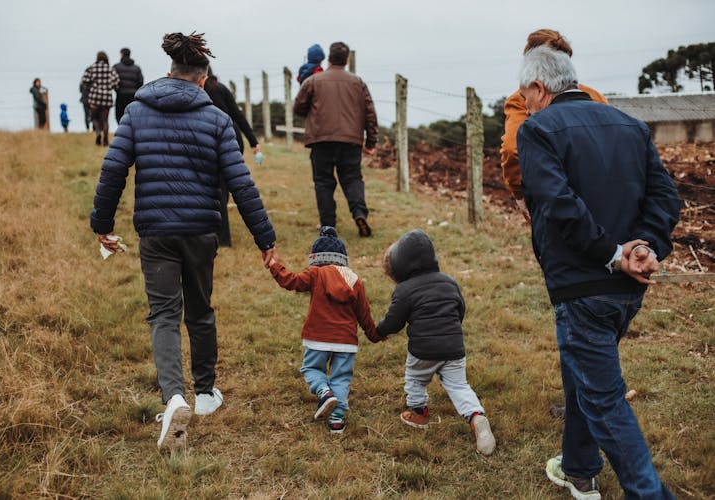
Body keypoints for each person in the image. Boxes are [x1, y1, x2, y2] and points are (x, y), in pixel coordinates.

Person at [90, 32, 277, 450]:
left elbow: (113, 170)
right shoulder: (216, 119)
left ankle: (173, 396)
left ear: (169, 71)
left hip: (155, 231)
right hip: (200, 231)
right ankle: (206, 394)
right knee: (200, 309)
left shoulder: (137, 112)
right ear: (202, 78)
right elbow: (241, 183)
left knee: (162, 314)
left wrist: (101, 223)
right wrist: (265, 238)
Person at [516, 46, 679, 498]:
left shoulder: (537, 130)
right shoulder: (630, 125)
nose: (524, 101)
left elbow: (558, 204)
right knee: (584, 374)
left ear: (539, 87)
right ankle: (580, 467)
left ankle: (649, 493)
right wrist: (645, 246)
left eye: (524, 92)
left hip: (583, 282)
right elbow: (665, 197)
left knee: (604, 398)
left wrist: (614, 252)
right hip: (627, 286)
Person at [375, 230, 496, 456]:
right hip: (454, 347)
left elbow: (394, 321)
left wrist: (379, 331)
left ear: (401, 265)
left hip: (423, 350)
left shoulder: (404, 289)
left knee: (415, 379)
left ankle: (419, 415)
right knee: (459, 386)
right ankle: (476, 417)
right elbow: (460, 309)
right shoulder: (450, 282)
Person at [265, 226, 381, 433]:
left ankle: (324, 392)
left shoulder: (315, 274)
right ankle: (336, 420)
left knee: (311, 369)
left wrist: (274, 265)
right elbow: (364, 314)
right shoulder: (355, 280)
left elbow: (290, 280)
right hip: (346, 341)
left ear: (316, 257)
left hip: (318, 337)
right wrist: (374, 334)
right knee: (341, 377)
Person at [500, 29, 608, 222]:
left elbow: (512, 149)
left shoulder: (520, 99)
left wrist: (519, 194)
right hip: (601, 190)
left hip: (552, 193)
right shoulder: (595, 96)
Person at [293, 41, 378, 237]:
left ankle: (328, 226)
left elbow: (298, 107)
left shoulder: (313, 81)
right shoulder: (358, 83)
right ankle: (359, 213)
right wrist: (371, 142)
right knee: (352, 178)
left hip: (321, 139)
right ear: (347, 60)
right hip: (351, 140)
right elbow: (370, 113)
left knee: (323, 182)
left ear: (329, 58)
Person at [203, 65, 261, 247]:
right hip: (232, 139)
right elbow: (238, 115)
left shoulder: (195, 91)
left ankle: (220, 237)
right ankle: (222, 238)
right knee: (223, 188)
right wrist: (253, 142)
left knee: (214, 189)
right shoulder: (220, 88)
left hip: (214, 141)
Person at [82, 51, 119, 146]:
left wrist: (91, 86)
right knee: (105, 120)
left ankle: (98, 133)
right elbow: (116, 81)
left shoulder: (91, 68)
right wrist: (110, 86)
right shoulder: (110, 69)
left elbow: (84, 81)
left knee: (94, 118)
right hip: (107, 97)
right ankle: (106, 140)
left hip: (94, 97)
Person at [112, 47, 144, 125]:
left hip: (121, 95)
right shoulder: (137, 68)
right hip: (133, 95)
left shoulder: (116, 67)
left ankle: (122, 130)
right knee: (132, 114)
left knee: (119, 115)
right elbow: (140, 81)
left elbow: (113, 80)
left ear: (122, 55)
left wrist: (118, 90)